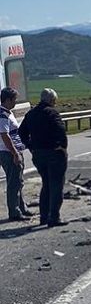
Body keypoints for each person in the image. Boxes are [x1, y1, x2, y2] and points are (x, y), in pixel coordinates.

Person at [18, 88, 68, 227]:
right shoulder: (52, 113)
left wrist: (30, 146)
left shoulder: (31, 113)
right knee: (56, 185)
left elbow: (21, 132)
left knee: (46, 184)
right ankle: (54, 217)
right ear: (52, 100)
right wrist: (62, 146)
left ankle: (44, 216)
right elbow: (60, 131)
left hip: (38, 154)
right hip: (53, 152)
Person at [0, 88, 33, 222]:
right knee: (14, 182)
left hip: (13, 151)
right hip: (9, 152)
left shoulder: (8, 113)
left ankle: (21, 207)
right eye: (14, 99)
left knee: (18, 181)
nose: (15, 102)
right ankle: (14, 211)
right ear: (8, 100)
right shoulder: (2, 114)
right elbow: (4, 135)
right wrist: (14, 153)